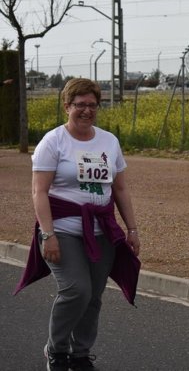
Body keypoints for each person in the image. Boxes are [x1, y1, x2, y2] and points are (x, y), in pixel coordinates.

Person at [13, 78, 141, 371]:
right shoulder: (53, 141)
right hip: (63, 230)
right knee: (76, 290)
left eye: (92, 105)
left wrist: (132, 229)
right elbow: (39, 191)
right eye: (80, 105)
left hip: (102, 231)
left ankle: (80, 354)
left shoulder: (109, 141)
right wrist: (48, 234)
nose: (86, 110)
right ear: (67, 106)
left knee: (93, 296)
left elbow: (120, 189)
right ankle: (56, 351)